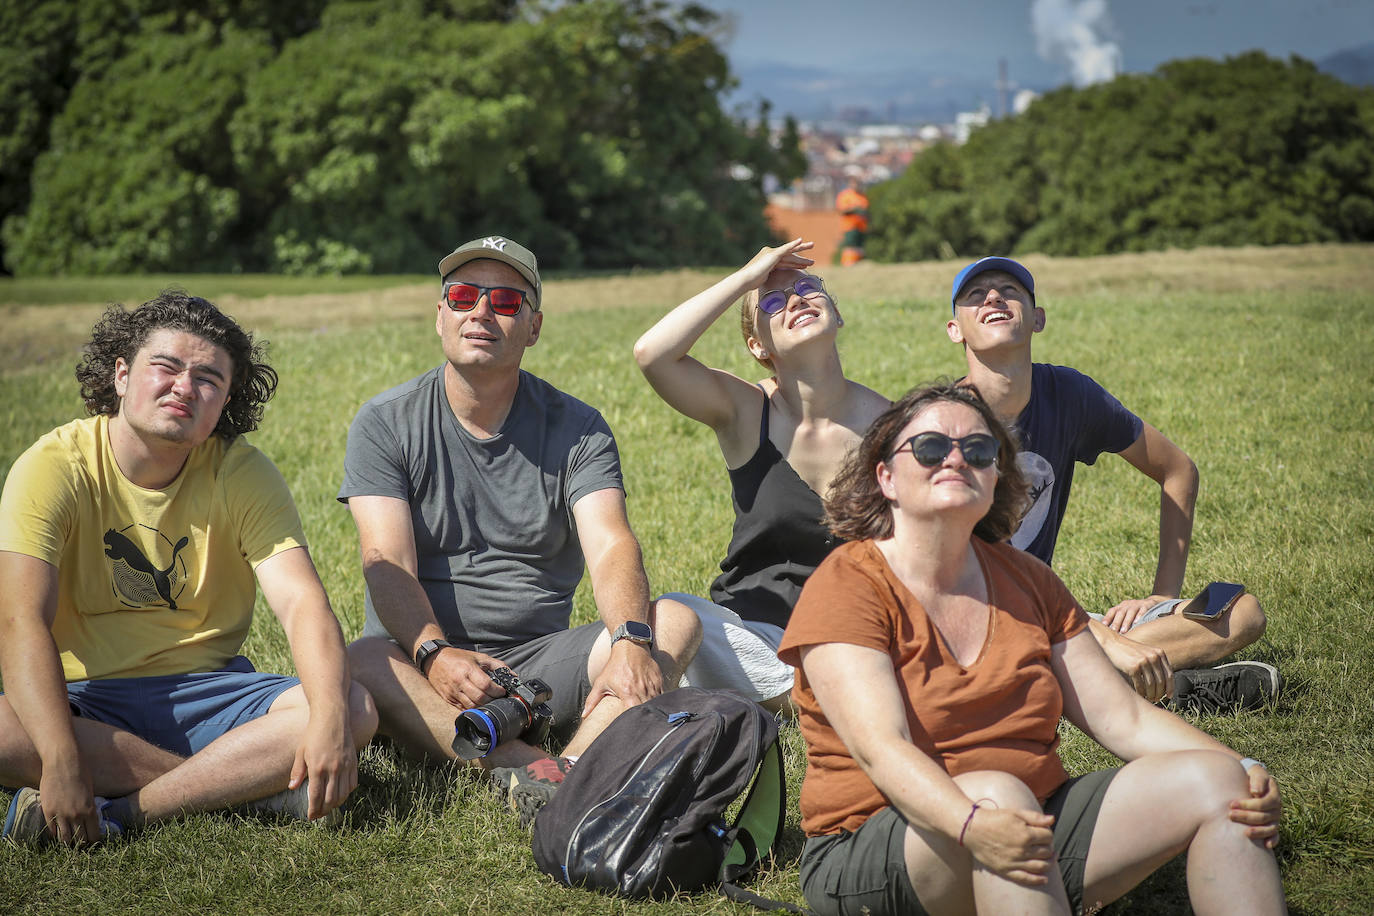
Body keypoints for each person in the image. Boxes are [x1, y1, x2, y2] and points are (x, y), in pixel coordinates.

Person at [779, 383, 1286, 916]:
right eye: (930, 449)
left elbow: (1125, 719)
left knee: (1223, 786)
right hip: (881, 842)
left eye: (979, 452)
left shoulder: (1030, 581)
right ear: (886, 476)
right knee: (999, 795)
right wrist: (973, 824)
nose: (956, 459)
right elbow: (879, 748)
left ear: (996, 478)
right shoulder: (848, 584)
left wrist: (1244, 764)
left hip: (1027, 820)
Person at [340, 235, 701, 824]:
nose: (481, 311)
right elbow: (387, 560)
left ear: (533, 327)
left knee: (677, 621)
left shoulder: (579, 427)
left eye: (507, 301)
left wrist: (632, 643)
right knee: (358, 658)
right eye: (463, 295)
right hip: (417, 660)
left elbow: (611, 543)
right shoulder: (386, 422)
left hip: (537, 668)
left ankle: (574, 764)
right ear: (441, 316)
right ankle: (523, 763)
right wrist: (435, 655)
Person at [0, 292, 377, 847]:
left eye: (207, 379)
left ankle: (125, 814)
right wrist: (60, 757)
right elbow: (19, 620)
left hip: (212, 690)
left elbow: (301, 604)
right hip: (83, 696)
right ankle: (245, 788)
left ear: (224, 403)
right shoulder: (54, 466)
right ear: (122, 375)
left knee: (352, 706)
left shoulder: (240, 470)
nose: (184, 386)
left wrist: (327, 720)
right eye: (167, 366)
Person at [945, 256, 1277, 712]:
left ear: (1037, 318)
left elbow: (1178, 470)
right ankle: (1166, 687)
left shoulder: (1069, 395)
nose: (994, 298)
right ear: (954, 329)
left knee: (1240, 614)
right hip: (972, 617)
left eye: (1010, 290)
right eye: (975, 296)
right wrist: (1099, 634)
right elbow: (964, 567)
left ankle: (1084, 681)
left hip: (1050, 619)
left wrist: (1162, 594)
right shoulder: (940, 424)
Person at [633, 238, 889, 713]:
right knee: (675, 616)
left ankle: (806, 695)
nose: (795, 299)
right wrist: (747, 279)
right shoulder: (747, 411)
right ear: (758, 346)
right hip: (754, 639)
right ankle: (813, 696)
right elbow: (653, 354)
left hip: (852, 639)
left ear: (838, 313)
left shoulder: (892, 427)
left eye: (809, 288)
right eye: (773, 302)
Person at [835, 178, 870, 267]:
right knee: (850, 248)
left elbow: (866, 211)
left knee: (859, 248)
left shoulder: (863, 197)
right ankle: (848, 264)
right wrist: (854, 209)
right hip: (850, 226)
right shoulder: (845, 196)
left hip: (861, 227)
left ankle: (858, 264)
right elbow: (842, 210)